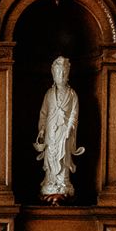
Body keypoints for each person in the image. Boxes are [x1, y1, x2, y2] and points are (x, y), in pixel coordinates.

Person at [34, 55, 85, 202]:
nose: (61, 76)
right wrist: (42, 128)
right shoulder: (49, 94)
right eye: (58, 73)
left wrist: (70, 128)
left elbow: (74, 114)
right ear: (53, 74)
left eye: (63, 73)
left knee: (63, 158)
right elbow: (43, 113)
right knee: (51, 156)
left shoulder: (72, 94)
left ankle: (63, 183)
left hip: (64, 132)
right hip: (51, 130)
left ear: (68, 74)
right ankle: (50, 182)